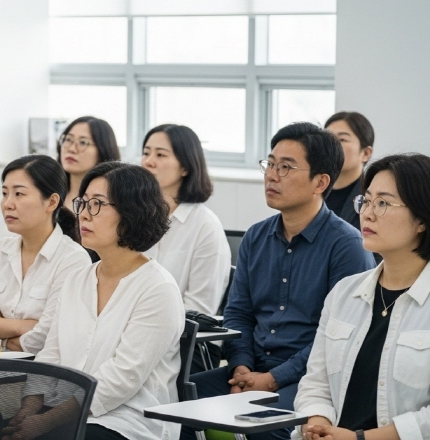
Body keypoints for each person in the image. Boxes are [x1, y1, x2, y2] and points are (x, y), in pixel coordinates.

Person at [183, 123, 376, 440]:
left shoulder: (347, 246)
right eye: (270, 164)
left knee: (263, 426)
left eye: (286, 167)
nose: (271, 175)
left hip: (309, 380)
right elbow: (239, 313)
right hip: (252, 370)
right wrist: (241, 368)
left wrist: (272, 378)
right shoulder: (256, 237)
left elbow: (337, 339)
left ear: (320, 182)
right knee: (179, 407)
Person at [5, 162, 185, 440]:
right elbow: (51, 356)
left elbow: (121, 380)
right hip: (64, 412)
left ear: (131, 213)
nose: (84, 215)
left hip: (129, 422)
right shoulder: (77, 280)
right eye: (83, 203)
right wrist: (28, 411)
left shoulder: (157, 289)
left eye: (98, 204)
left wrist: (45, 423)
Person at [294, 154, 430, 440]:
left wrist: (359, 439)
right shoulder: (345, 292)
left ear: (422, 219)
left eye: (383, 203)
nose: (367, 213)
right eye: (366, 201)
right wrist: (317, 425)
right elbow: (315, 383)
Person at [0, 155, 89, 355]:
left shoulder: (72, 259)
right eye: (4, 193)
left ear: (51, 202)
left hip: (39, 377)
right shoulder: (0, 250)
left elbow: (47, 337)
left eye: (19, 194)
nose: (8, 203)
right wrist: (19, 325)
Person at [141, 124, 230, 316]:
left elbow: (199, 308)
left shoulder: (206, 226)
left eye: (160, 155)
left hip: (184, 338)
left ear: (185, 167)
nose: (148, 162)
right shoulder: (135, 216)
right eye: (146, 153)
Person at [55, 116, 120, 212]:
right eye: (68, 140)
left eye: (83, 142)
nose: (72, 149)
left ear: (103, 149)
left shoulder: (111, 202)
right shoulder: (50, 192)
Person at [324, 111, 375, 229]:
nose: (332, 145)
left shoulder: (373, 198)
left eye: (342, 139)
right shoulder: (311, 191)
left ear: (366, 153)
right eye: (327, 138)